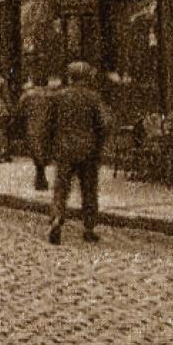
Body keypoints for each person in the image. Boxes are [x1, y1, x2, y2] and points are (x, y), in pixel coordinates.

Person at [48, 61, 109, 245]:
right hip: (88, 150)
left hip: (64, 150)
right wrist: (99, 143)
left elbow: (49, 123)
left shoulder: (59, 96)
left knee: (61, 188)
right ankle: (89, 227)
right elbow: (104, 123)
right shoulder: (93, 97)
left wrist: (52, 145)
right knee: (89, 189)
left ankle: (57, 218)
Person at [21, 72, 59, 192]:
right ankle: (41, 176)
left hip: (32, 126)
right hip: (48, 126)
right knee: (45, 150)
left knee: (36, 151)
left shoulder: (28, 95)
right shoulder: (52, 95)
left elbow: (20, 109)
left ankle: (40, 176)